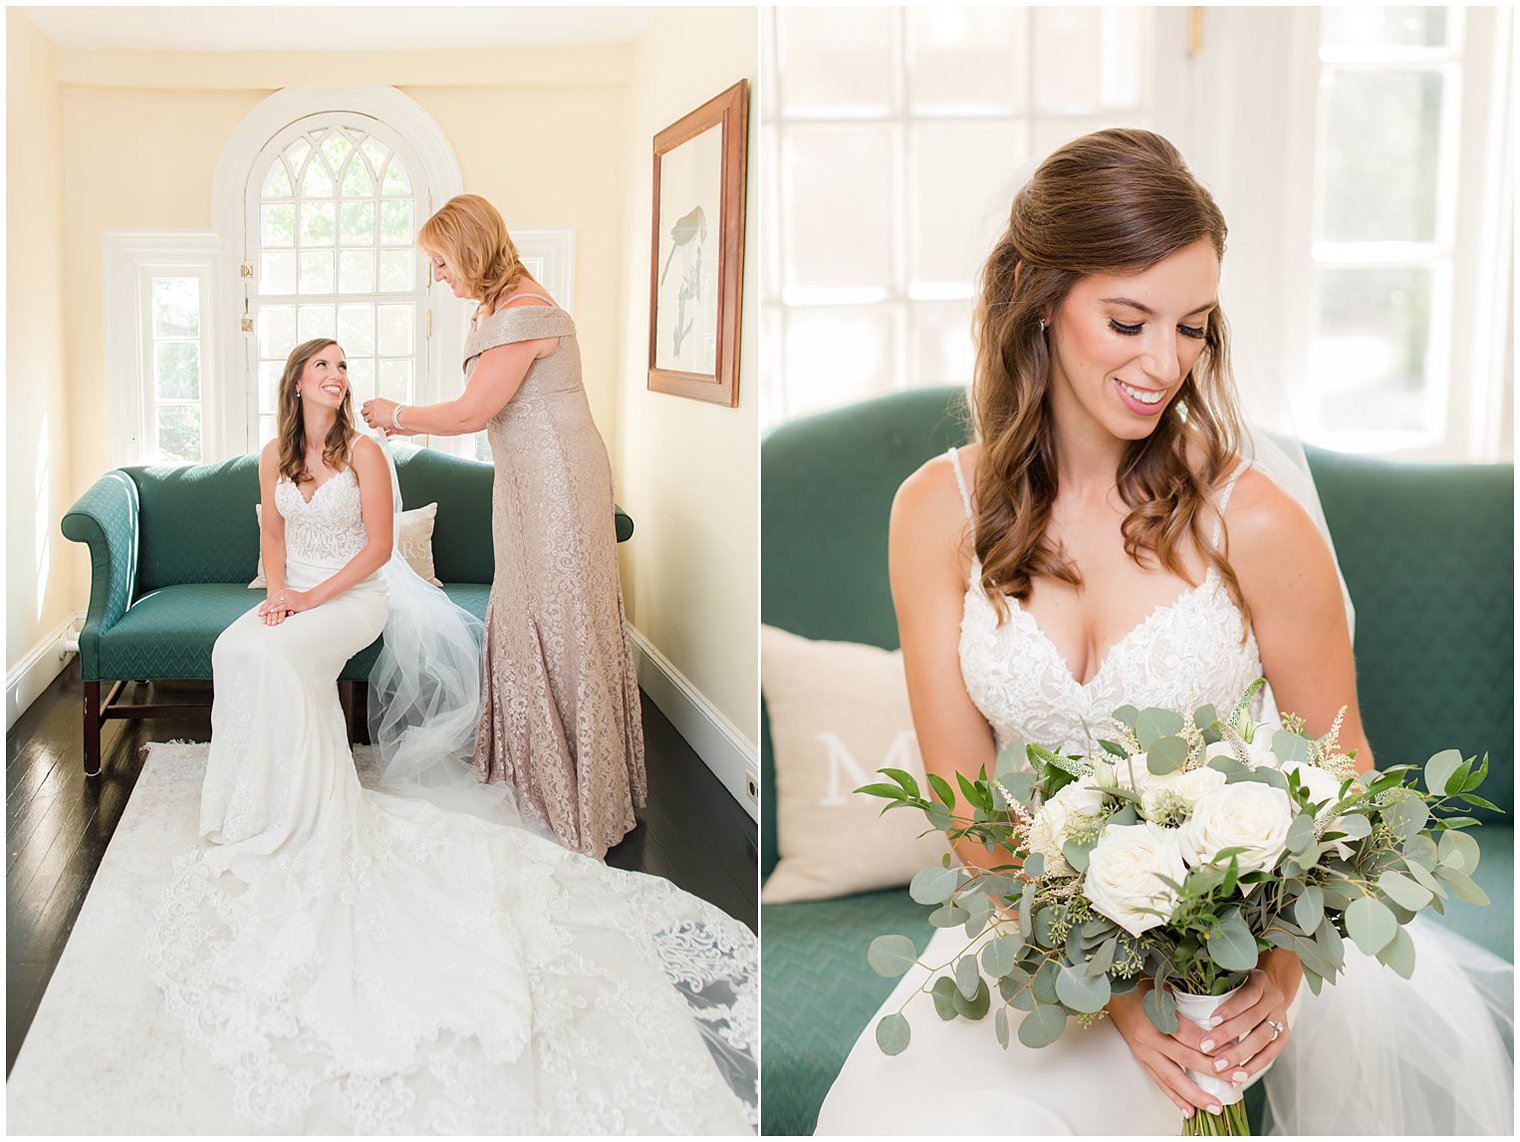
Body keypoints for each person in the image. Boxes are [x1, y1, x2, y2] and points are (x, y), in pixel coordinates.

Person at [814, 129, 1510, 1135]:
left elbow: (1345, 774)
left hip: (1214, 963)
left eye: (1192, 327)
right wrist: (1106, 995)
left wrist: (1273, 972)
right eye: (1127, 319)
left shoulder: (1256, 522)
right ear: (1042, 301)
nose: (1162, 363)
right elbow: (966, 811)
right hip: (1030, 938)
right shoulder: (934, 509)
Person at [147, 338, 756, 1134]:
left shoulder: (365, 452)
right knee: (237, 648)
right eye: (320, 366)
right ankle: (248, 800)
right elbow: (271, 538)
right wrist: (278, 594)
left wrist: (310, 601)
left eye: (341, 367)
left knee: (288, 662)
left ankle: (306, 811)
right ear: (296, 381)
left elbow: (374, 550)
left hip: (357, 595)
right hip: (298, 594)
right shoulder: (274, 454)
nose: (334, 376)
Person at [361, 193, 645, 860]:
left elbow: (470, 413)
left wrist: (395, 414)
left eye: (439, 262)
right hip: (525, 479)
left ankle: (573, 785)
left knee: (560, 613)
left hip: (558, 484)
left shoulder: (524, 312)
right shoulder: (496, 304)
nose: (437, 277)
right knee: (523, 608)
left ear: (468, 249)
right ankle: (531, 767)